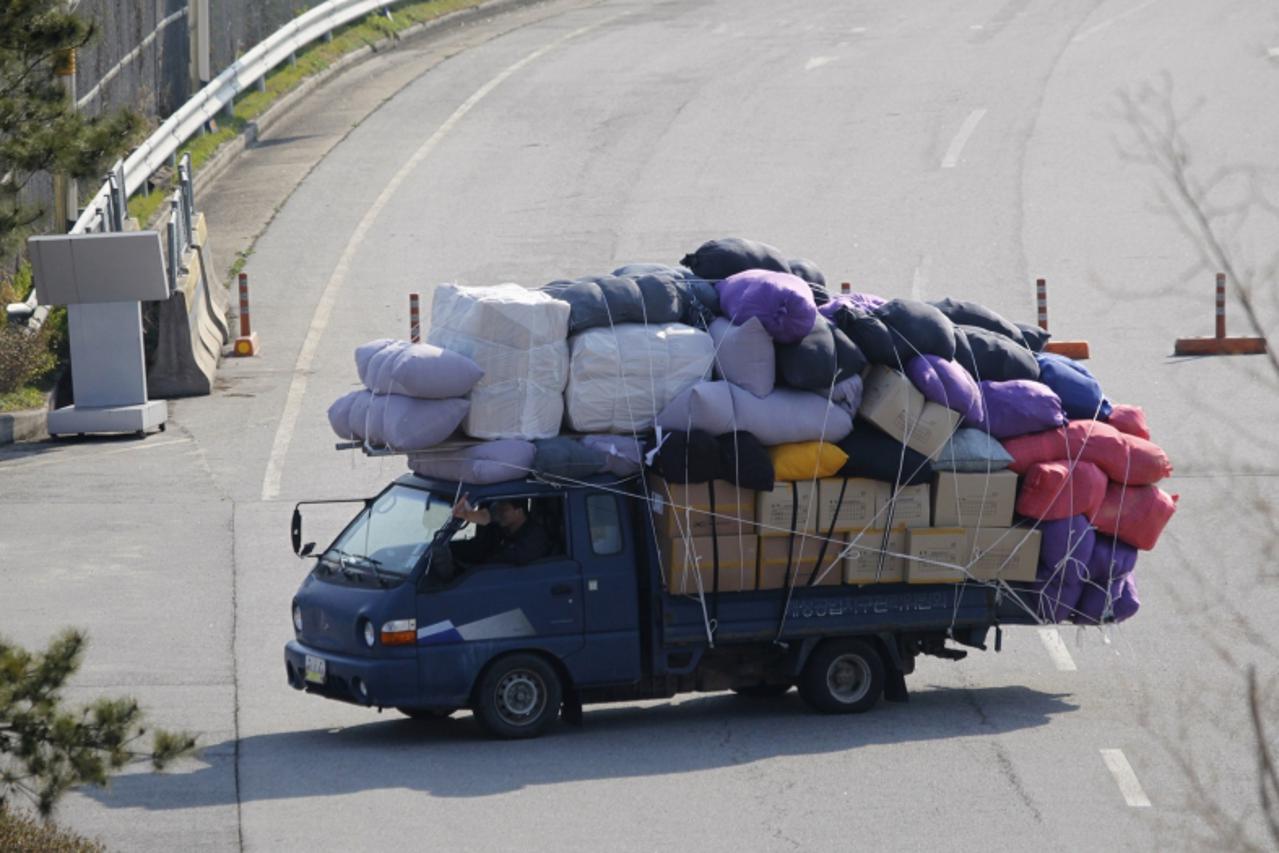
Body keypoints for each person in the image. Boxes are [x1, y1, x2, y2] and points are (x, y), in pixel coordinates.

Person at [449, 494, 552, 566]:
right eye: (498, 509)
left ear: (519, 511)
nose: (499, 513)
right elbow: (486, 517)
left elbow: (503, 562)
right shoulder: (504, 527)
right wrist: (465, 514)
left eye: (504, 510)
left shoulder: (534, 538)